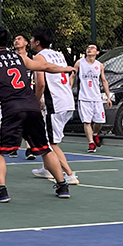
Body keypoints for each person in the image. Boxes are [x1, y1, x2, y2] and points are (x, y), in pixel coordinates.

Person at [0, 26, 75, 202]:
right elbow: (46, 66)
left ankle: (0, 191)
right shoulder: (20, 58)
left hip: (9, 109)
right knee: (45, 148)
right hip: (32, 107)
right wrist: (64, 69)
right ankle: (62, 185)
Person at [29, 27, 79, 185]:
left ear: (37, 42)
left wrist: (35, 101)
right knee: (47, 136)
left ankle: (69, 174)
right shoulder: (58, 55)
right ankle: (46, 168)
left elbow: (41, 83)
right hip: (67, 100)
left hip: (55, 103)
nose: (30, 41)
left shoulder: (39, 57)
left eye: (32, 39)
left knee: (50, 142)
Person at [73, 44, 112, 153]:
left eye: (92, 48)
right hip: (84, 97)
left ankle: (95, 134)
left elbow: (104, 81)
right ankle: (91, 143)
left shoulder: (99, 65)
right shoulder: (79, 63)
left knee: (99, 121)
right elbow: (72, 76)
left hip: (97, 98)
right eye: (88, 48)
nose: (89, 49)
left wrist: (108, 97)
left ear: (97, 52)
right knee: (87, 122)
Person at [12, 33, 36, 160]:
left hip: (27, 93)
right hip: (12, 94)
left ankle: (29, 148)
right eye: (15, 39)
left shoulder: (32, 58)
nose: (16, 41)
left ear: (26, 43)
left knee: (28, 120)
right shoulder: (10, 57)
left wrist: (38, 96)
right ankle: (14, 146)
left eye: (19, 39)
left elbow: (37, 77)